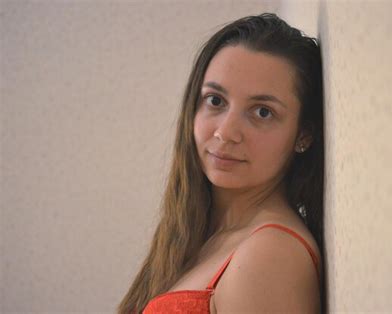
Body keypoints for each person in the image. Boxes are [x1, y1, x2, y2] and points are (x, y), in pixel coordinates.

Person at [118, 12, 325, 314]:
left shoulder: (271, 254)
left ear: (303, 134)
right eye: (215, 101)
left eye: (262, 112)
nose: (225, 133)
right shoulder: (199, 235)